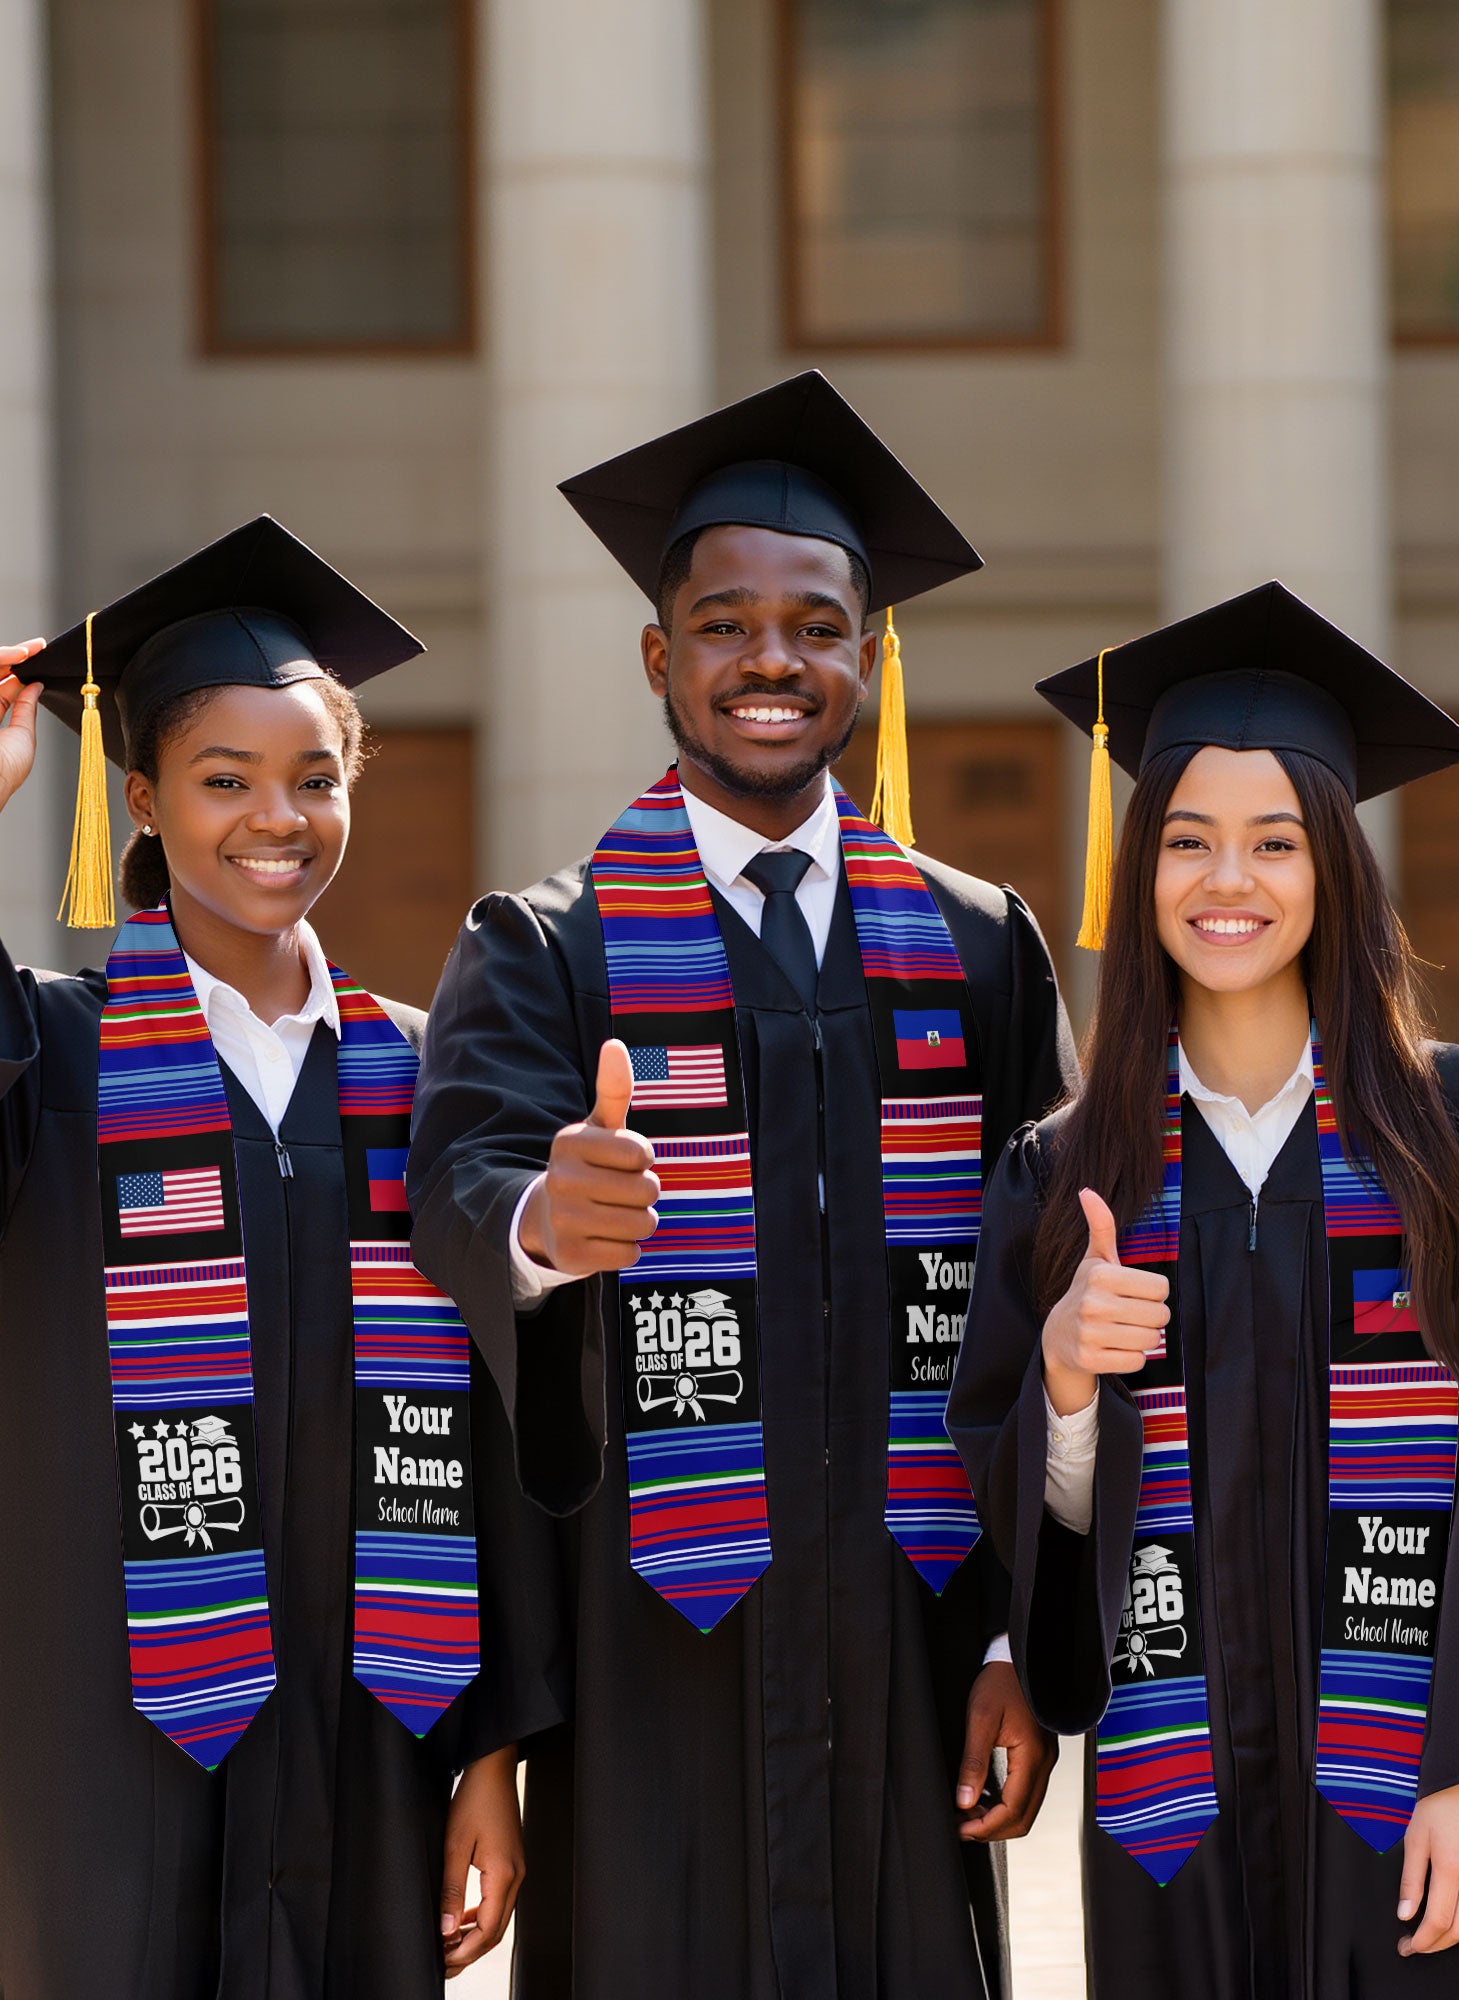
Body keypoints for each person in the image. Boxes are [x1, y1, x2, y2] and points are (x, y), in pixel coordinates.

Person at [406, 371, 1076, 1996]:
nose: (770, 660)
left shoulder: (978, 947)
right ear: (660, 656)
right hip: (655, 1661)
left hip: (916, 1648)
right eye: (722, 624)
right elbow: (458, 1193)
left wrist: (1017, 1645)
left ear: (870, 655)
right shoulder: (547, 948)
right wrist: (543, 1225)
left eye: (816, 624)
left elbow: (1056, 1296)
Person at [948, 582, 1459, 1998]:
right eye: (1190, 842)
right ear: (1139, 870)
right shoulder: (1068, 1167)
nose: (1230, 883)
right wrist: (1069, 1385)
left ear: (1333, 868)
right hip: (1173, 1815)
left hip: (1412, 1797)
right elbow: (1032, 1520)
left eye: (1274, 843)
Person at [0, 516, 565, 1999]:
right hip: (98, 1741)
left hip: (372, 1725)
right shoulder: (53, 1055)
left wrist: (493, 1758)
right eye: (224, 780)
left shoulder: (423, 1077)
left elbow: (500, 1433)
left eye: (316, 780)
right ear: (139, 797)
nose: (278, 818)